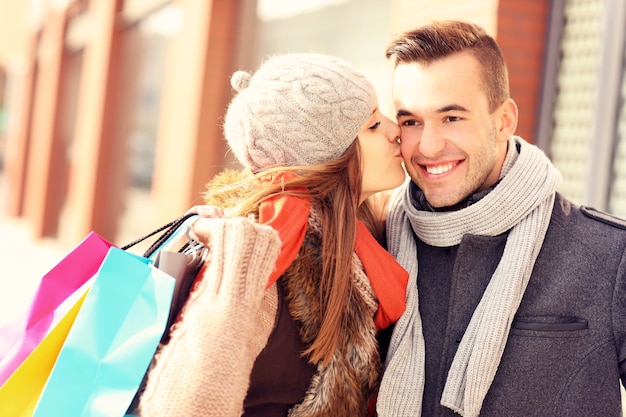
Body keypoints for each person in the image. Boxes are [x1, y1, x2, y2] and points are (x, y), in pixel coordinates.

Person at [374, 20, 626, 417]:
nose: (428, 145)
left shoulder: (609, 254)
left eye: (452, 118)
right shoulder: (377, 244)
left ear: (504, 120)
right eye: (411, 122)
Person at [138, 53, 409, 417]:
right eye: (373, 125)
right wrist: (238, 254)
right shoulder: (266, 251)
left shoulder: (366, 237)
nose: (396, 130)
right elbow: (183, 406)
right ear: (327, 156)